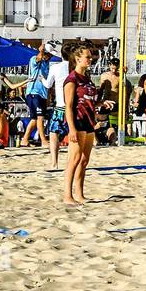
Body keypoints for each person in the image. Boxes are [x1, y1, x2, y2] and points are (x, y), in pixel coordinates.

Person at [61, 44, 99, 207]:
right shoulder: (72, 79)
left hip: (89, 120)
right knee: (74, 159)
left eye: (90, 57)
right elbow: (68, 106)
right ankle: (67, 196)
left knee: (84, 160)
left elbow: (89, 100)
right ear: (77, 59)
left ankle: (80, 194)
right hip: (77, 120)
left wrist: (102, 103)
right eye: (87, 57)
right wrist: (71, 129)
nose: (90, 60)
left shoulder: (87, 78)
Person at [22, 46, 55, 152]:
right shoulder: (34, 59)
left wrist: (49, 97)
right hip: (34, 92)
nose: (50, 56)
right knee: (40, 117)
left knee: (34, 119)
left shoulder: (46, 64)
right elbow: (38, 58)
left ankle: (25, 140)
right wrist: (40, 50)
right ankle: (43, 140)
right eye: (49, 54)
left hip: (41, 94)